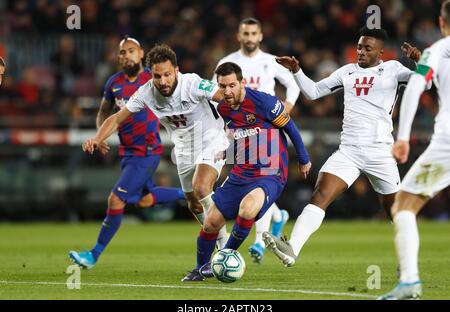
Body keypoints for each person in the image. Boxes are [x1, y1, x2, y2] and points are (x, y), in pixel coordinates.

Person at [263, 26, 425, 268]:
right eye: (359, 46)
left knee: (395, 212)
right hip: (348, 150)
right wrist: (297, 70)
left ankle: (409, 261)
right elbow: (313, 92)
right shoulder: (346, 72)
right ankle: (291, 249)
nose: (361, 51)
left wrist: (420, 62)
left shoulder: (393, 69)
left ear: (381, 52)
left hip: (380, 152)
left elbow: (426, 83)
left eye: (367, 48)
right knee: (320, 195)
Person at [81, 44, 230, 271]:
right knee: (195, 205)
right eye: (157, 75)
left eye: (167, 75)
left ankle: (223, 248)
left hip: (211, 140)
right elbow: (117, 118)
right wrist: (98, 138)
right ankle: (217, 241)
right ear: (151, 74)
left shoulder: (193, 83)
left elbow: (226, 97)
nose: (162, 81)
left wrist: (246, 120)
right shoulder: (146, 92)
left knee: (201, 188)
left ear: (177, 71)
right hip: (183, 150)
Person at [185, 62, 311, 281]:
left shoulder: (264, 102)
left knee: (247, 208)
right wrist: (227, 153)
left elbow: (290, 127)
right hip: (241, 172)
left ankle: (225, 255)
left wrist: (303, 159)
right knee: (211, 222)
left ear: (242, 82)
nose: (227, 91)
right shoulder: (224, 109)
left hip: (270, 172)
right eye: (222, 86)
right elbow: (242, 137)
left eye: (232, 85)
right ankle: (201, 269)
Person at [69, 38, 184, 269]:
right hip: (128, 152)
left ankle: (93, 255)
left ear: (141, 53)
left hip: (147, 151)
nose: (126, 56)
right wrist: (99, 136)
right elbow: (104, 113)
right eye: (122, 52)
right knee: (144, 200)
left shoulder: (154, 78)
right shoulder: (114, 83)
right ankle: (191, 194)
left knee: (116, 199)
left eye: (131, 51)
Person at [379, 0, 450, 300]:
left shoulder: (438, 50)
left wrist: (403, 136)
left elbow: (416, 87)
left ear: (441, 22)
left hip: (447, 144)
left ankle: (410, 281)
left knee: (404, 206)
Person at [214, 17, 300, 263]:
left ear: (260, 36)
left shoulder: (270, 61)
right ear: (239, 36)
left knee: (258, 183)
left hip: (267, 129)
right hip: (240, 129)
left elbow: (292, 86)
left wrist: (287, 109)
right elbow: (215, 94)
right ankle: (277, 217)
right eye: (246, 33)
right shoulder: (227, 63)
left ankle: (259, 241)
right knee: (249, 183)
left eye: (254, 33)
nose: (250, 37)